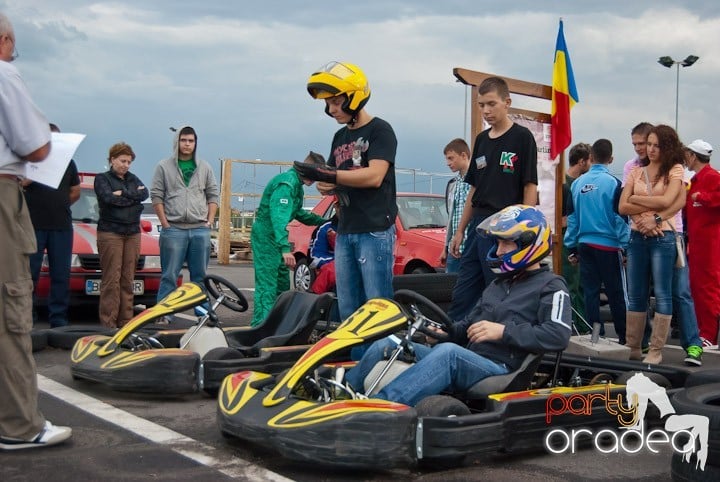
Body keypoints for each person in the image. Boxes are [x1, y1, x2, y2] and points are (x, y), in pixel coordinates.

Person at [344, 205, 571, 406]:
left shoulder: (551, 286)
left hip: (502, 368)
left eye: (506, 243)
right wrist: (441, 333)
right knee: (391, 342)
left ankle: (380, 408)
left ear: (529, 243)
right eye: (499, 243)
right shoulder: (498, 285)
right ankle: (342, 396)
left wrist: (503, 332)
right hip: (470, 357)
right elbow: (467, 327)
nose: (499, 250)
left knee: (448, 354)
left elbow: (558, 335)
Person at [0, 13, 72, 449]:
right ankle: (19, 426)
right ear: (4, 40)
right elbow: (36, 144)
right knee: (10, 312)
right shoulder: (4, 73)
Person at [295, 61, 398, 346]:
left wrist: (332, 176)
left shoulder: (381, 130)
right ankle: (353, 368)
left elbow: (375, 175)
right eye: (328, 104)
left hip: (374, 230)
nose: (331, 110)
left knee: (377, 308)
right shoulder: (340, 137)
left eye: (336, 102)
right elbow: (330, 180)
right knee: (350, 310)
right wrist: (323, 179)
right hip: (345, 230)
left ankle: (382, 367)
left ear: (354, 96)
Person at [446, 77, 538, 322]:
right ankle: (454, 339)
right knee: (463, 289)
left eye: (491, 104)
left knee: (498, 291)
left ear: (507, 103)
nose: (486, 110)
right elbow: (473, 190)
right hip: (478, 226)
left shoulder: (522, 137)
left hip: (505, 228)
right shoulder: (482, 140)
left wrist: (525, 232)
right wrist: (459, 231)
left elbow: (530, 186)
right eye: (481, 105)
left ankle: (494, 348)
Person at [623, 123, 703, 366]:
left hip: (668, 234)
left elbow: (674, 201)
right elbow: (621, 206)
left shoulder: (676, 170)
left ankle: (690, 345)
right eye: (643, 144)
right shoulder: (633, 169)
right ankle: (636, 345)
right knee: (637, 295)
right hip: (639, 233)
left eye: (650, 144)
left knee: (676, 293)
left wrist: (650, 212)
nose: (646, 148)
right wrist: (646, 215)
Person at [150, 125, 219, 320]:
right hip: (173, 230)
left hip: (199, 229)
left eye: (191, 141)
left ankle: (204, 314)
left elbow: (213, 194)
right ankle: (164, 315)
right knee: (170, 276)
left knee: (199, 277)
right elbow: (156, 196)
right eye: (183, 140)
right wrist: (165, 224)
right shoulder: (163, 166)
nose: (187, 144)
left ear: (195, 143)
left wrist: (209, 221)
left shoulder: (204, 167)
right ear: (177, 142)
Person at [251, 152, 327, 326]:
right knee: (267, 284)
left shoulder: (296, 186)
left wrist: (323, 222)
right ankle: (260, 328)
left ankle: (277, 324)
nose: (315, 181)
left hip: (276, 237)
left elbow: (297, 213)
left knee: (282, 284)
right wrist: (285, 249)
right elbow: (278, 217)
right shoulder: (287, 184)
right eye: (315, 176)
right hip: (267, 236)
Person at [564, 139, 629, 343]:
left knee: (590, 292)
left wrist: (572, 248)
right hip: (609, 246)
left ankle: (595, 336)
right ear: (611, 159)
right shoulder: (614, 183)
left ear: (590, 157)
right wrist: (626, 247)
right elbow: (620, 219)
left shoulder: (577, 185)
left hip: (585, 245)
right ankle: (623, 336)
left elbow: (572, 220)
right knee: (615, 293)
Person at [23, 123, 80, 327]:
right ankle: (26, 316)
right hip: (33, 225)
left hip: (61, 226)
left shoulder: (69, 163)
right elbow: (15, 186)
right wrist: (29, 178)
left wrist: (61, 205)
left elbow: (75, 192)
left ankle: (58, 319)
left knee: (60, 274)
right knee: (30, 273)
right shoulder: (29, 162)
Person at [94, 142, 148, 328]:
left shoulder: (133, 178)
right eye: (123, 161)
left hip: (132, 232)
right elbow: (108, 198)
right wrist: (133, 199)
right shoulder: (102, 179)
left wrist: (123, 194)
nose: (126, 165)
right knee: (111, 279)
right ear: (112, 160)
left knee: (128, 279)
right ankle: (108, 323)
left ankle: (126, 322)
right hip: (111, 232)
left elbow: (144, 194)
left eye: (129, 162)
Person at [684, 139, 720, 350]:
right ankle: (702, 331)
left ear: (693, 156)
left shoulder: (712, 177)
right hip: (697, 244)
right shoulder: (696, 180)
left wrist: (703, 197)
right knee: (698, 287)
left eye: (687, 154)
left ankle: (709, 335)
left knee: (708, 288)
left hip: (710, 244)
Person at [561, 142, 591, 331]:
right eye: (590, 161)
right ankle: (572, 323)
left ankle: (582, 323)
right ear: (582, 162)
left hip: (580, 239)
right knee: (571, 282)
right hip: (567, 240)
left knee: (580, 283)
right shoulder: (563, 185)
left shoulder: (580, 183)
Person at [441, 138, 471, 273]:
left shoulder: (479, 180)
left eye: (451, 158)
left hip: (471, 245)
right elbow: (451, 219)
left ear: (463, 156)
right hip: (455, 247)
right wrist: (445, 247)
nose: (448, 163)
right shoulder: (453, 184)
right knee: (451, 288)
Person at [309, 212, 338, 294]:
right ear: (336, 207)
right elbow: (313, 258)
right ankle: (315, 298)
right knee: (334, 268)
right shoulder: (324, 228)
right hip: (333, 271)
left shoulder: (363, 227)